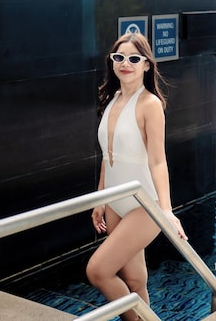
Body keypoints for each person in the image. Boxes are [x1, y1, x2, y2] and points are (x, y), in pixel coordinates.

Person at [87, 32, 187, 319]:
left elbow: (158, 161)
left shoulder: (150, 105)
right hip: (115, 200)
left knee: (98, 271)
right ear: (112, 62)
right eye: (119, 57)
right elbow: (109, 155)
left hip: (144, 204)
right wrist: (100, 198)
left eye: (134, 58)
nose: (125, 63)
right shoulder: (112, 98)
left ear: (146, 65)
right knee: (134, 281)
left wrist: (166, 211)